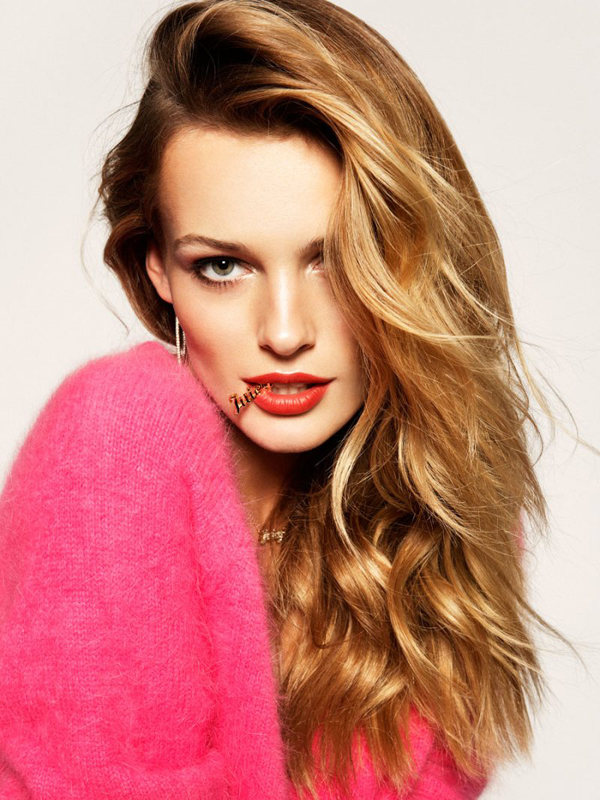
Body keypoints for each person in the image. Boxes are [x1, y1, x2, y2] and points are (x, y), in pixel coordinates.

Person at [0, 1, 581, 797]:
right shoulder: (115, 438)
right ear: (158, 266)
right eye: (222, 266)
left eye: (333, 260)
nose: (283, 332)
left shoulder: (439, 518)